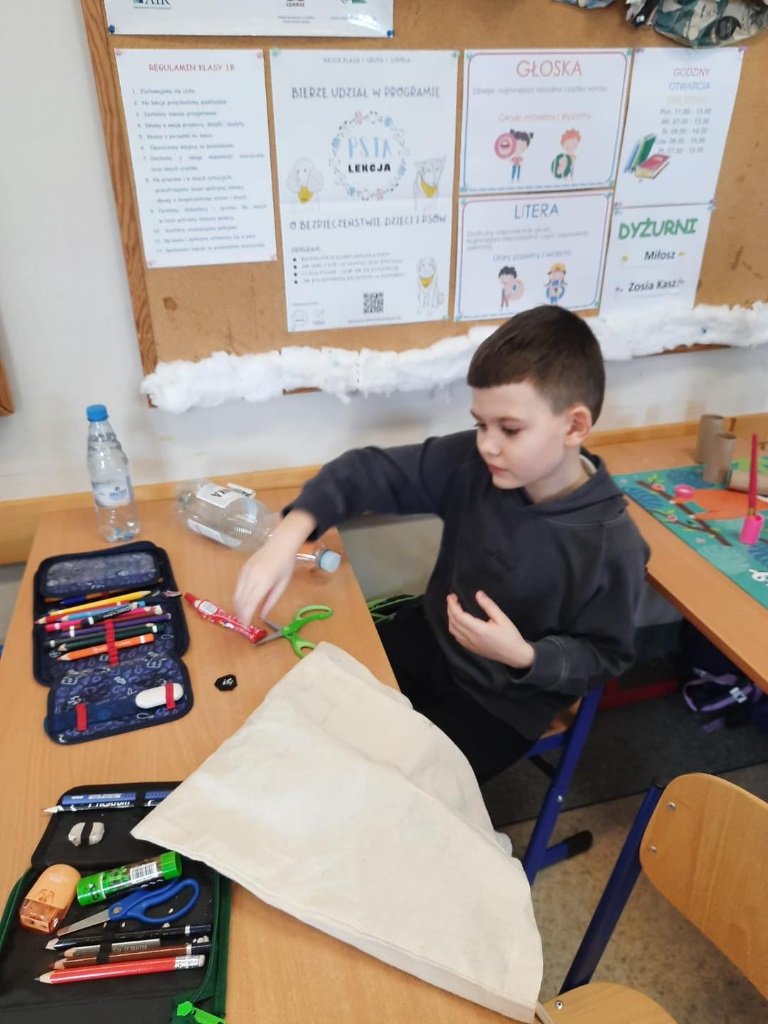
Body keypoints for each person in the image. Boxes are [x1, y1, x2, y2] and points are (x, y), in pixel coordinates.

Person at [233, 306, 649, 784]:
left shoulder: (613, 545)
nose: (488, 445)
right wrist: (288, 535)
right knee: (301, 709)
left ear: (574, 426)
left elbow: (606, 655)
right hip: (431, 639)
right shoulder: (478, 464)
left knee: (384, 789)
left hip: (503, 703)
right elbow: (368, 471)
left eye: (509, 429)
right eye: (480, 425)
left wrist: (525, 656)